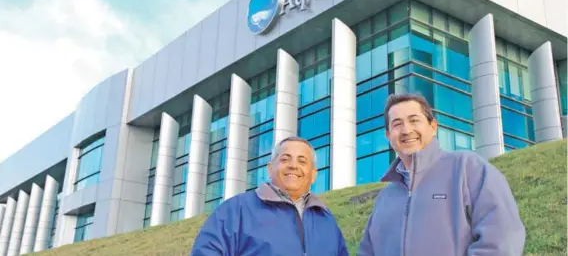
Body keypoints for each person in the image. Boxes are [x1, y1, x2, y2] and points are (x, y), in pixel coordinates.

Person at [358, 93, 526, 256]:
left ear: (433, 126)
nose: (406, 130)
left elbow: (502, 238)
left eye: (414, 120)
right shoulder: (384, 198)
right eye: (397, 124)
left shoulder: (468, 168)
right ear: (388, 135)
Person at [191, 136, 349, 256]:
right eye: (285, 159)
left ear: (313, 174)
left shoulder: (327, 219)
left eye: (302, 161)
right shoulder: (236, 210)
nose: (293, 166)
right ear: (270, 168)